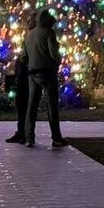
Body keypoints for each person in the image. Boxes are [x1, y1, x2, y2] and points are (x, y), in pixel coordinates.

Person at [19, 10, 67, 148]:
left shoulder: (29, 35)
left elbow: (23, 56)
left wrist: (31, 63)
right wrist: (57, 61)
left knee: (32, 105)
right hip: (47, 72)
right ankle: (56, 138)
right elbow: (53, 52)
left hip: (32, 73)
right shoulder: (49, 33)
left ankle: (29, 137)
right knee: (51, 105)